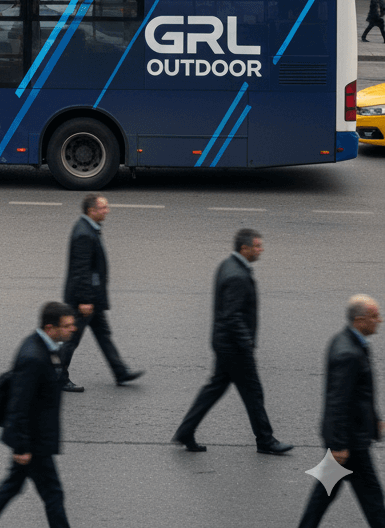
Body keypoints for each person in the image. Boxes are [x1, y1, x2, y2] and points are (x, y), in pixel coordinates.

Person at [172, 229, 292, 454]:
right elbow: (232, 315)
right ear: (244, 248)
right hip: (234, 347)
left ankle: (185, 431)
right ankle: (266, 441)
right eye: (257, 246)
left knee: (214, 388)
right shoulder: (237, 275)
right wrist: (246, 341)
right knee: (253, 393)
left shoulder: (228, 264)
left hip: (224, 342)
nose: (261, 250)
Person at [0, 301, 77, 528]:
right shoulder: (34, 357)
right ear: (50, 328)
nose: (72, 329)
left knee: (11, 487)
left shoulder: (45, 347)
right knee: (53, 495)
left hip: (32, 439)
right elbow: (19, 405)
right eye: (67, 326)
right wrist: (22, 447)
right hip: (33, 442)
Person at [296, 295, 385, 527]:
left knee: (324, 493)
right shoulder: (349, 353)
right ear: (360, 320)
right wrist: (338, 444)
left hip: (346, 438)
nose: (380, 321)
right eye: (374, 317)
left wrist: (374, 420)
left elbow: (358, 393)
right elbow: (339, 401)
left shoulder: (348, 342)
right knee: (373, 498)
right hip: (350, 442)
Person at [59, 194, 143, 392]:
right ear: (92, 211)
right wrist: (86, 300)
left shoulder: (89, 228)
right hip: (84, 300)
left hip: (91, 298)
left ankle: (120, 372)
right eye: (103, 208)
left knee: (104, 334)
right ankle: (58, 377)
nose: (107, 211)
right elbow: (82, 270)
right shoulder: (84, 233)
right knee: (71, 338)